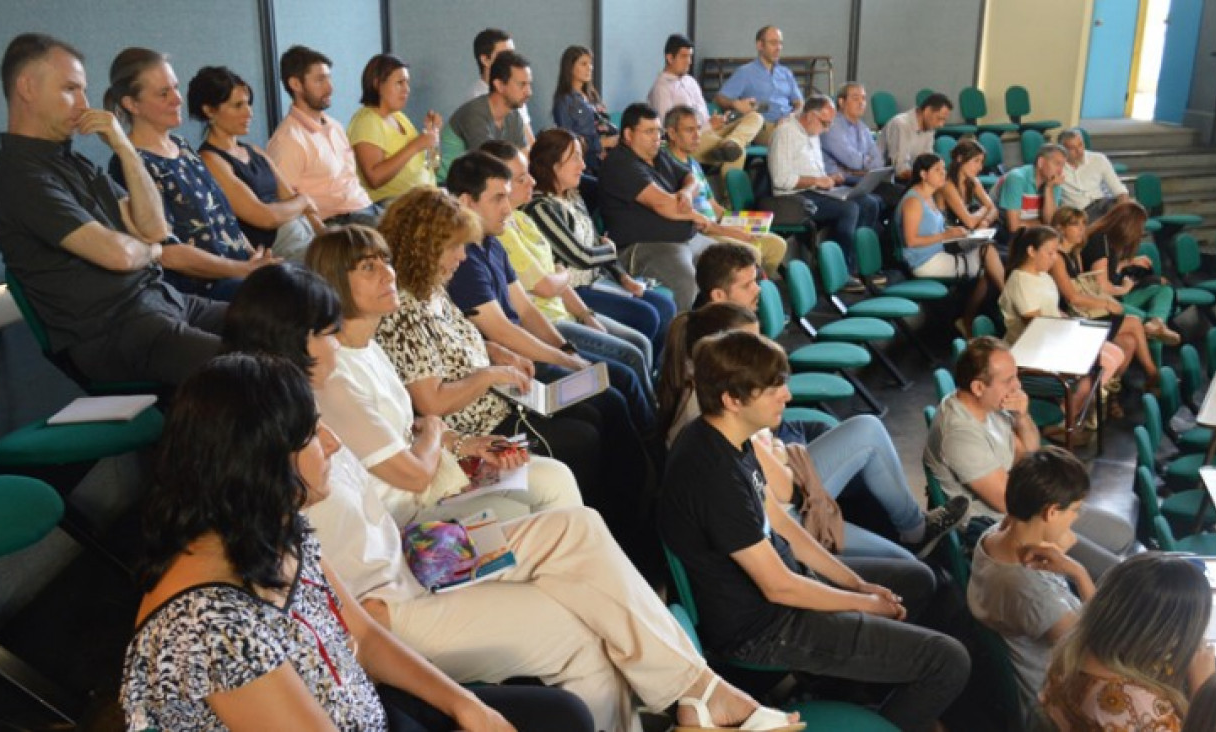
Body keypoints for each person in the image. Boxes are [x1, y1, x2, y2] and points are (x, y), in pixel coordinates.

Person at [224, 257, 803, 732]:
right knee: (577, 638)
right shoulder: (273, 432)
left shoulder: (309, 405)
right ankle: (694, 696)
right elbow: (295, 567)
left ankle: (696, 690)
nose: (337, 343)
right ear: (295, 339)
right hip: (388, 607)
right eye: (326, 332)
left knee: (577, 528)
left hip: (415, 554)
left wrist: (449, 480)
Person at [119, 351, 596, 731]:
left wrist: (467, 706)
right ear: (259, 462)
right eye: (311, 432)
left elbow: (363, 636)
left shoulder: (273, 525)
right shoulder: (210, 629)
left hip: (370, 709)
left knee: (563, 716)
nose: (332, 442)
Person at [660, 329, 971, 732]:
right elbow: (778, 587)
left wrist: (856, 584)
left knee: (918, 579)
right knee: (948, 662)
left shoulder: (732, 439)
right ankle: (883, 725)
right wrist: (862, 603)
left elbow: (784, 523)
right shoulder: (712, 474)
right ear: (732, 400)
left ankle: (854, 687)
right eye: (771, 389)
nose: (786, 396)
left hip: (785, 593)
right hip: (765, 628)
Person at [372, 187, 652, 556]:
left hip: (502, 401)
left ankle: (633, 524)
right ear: (422, 247)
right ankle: (620, 535)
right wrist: (490, 374)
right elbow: (431, 400)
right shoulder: (404, 311)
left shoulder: (432, 289)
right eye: (454, 247)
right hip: (478, 427)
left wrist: (495, 351)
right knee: (585, 435)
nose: (461, 256)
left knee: (603, 408)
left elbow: (455, 343)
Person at [225, 257, 582, 526]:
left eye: (385, 261)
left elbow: (406, 427)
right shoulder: (329, 385)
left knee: (558, 483)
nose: (388, 273)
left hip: (424, 486)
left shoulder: (363, 349)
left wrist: (459, 442)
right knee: (554, 515)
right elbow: (413, 465)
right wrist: (437, 430)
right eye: (368, 267)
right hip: (406, 515)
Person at [0, 33, 224, 386]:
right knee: (251, 369)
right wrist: (155, 252)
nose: (85, 105)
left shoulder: (74, 162)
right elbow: (119, 256)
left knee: (284, 324)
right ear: (27, 88)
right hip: (117, 332)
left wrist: (125, 148)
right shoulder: (18, 176)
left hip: (161, 302)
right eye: (70, 89)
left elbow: (154, 227)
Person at [657, 301, 969, 561]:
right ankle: (913, 532)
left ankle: (912, 530)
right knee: (908, 566)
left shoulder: (706, 394)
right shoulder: (712, 422)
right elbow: (782, 493)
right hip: (783, 515)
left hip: (779, 504)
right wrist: (782, 455)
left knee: (862, 433)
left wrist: (779, 450)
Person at [444, 151, 655, 431]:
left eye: (508, 196)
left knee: (619, 378)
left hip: (527, 352)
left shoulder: (492, 243)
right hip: (507, 366)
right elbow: (502, 331)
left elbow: (526, 309)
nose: (508, 208)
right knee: (611, 396)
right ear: (466, 201)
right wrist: (568, 360)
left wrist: (566, 349)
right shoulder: (463, 258)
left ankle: (650, 452)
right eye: (498, 198)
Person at [924, 337, 1134, 577]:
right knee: (1112, 572)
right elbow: (1007, 503)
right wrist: (1057, 522)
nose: (1017, 386)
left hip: (1029, 504)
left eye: (1016, 376)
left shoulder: (989, 407)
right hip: (1008, 526)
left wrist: (1022, 418)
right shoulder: (960, 436)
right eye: (1008, 380)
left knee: (1121, 533)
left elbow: (1028, 456)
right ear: (978, 387)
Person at [105, 47, 270, 302]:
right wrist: (244, 270)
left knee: (303, 282)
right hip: (199, 292)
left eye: (175, 87)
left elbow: (223, 218)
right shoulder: (129, 165)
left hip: (237, 273)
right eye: (163, 93)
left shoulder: (182, 146)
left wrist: (254, 259)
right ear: (131, 104)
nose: (178, 99)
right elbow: (167, 252)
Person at [523, 128, 676, 358]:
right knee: (647, 316)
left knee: (666, 306)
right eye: (574, 157)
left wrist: (623, 277)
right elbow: (581, 256)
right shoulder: (541, 208)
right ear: (553, 164)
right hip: (573, 291)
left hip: (597, 280)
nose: (583, 166)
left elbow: (596, 242)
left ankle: (656, 374)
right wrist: (609, 249)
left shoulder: (572, 196)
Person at [968, 447, 1095, 717]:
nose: (1077, 517)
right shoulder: (1033, 594)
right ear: (1050, 512)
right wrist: (1079, 574)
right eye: (1075, 510)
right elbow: (1096, 653)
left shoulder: (995, 533)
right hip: (1053, 701)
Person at [1041, 553, 1216, 731]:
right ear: (1168, 635)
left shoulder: (1072, 652)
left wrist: (1080, 574)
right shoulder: (1137, 707)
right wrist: (1204, 691)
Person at [189, 65, 323, 264]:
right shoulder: (211, 160)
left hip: (302, 231)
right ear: (209, 110)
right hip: (277, 248)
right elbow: (264, 216)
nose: (249, 113)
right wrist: (302, 200)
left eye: (248, 104)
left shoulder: (255, 151)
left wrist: (324, 233)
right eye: (238, 106)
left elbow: (291, 197)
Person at [999, 226, 1127, 417]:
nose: (1054, 258)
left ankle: (1082, 408)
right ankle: (1066, 417)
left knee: (1116, 353)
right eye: (1049, 253)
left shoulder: (1042, 276)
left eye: (1055, 253)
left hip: (1053, 339)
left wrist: (1074, 325)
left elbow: (1054, 312)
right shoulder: (1020, 280)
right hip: (1032, 350)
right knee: (1102, 364)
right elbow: (1036, 326)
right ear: (1031, 251)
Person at [599, 102, 715, 311]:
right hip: (643, 246)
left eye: (658, 131)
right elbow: (665, 206)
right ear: (628, 134)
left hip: (684, 239)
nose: (657, 137)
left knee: (725, 263)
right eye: (649, 131)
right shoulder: (621, 164)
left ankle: (718, 329)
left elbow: (691, 177)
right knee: (685, 280)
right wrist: (694, 216)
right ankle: (679, 339)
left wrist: (686, 193)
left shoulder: (657, 155)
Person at [1049, 206, 1172, 397]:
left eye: (1083, 224)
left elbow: (1086, 285)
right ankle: (1153, 374)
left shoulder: (1074, 253)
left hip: (1085, 310)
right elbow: (1073, 296)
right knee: (1135, 323)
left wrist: (1126, 266)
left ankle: (1110, 396)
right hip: (1074, 318)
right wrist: (1110, 300)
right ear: (1061, 228)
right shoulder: (1058, 257)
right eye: (1076, 225)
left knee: (1129, 341)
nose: (1082, 229)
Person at [664, 105, 788, 274]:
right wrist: (734, 232)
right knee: (751, 252)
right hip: (701, 233)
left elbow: (714, 207)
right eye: (689, 130)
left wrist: (744, 223)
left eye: (699, 129)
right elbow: (694, 221)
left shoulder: (693, 163)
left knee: (777, 245)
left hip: (716, 224)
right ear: (671, 133)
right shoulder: (666, 165)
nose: (697, 136)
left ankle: (756, 291)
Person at [267, 45, 381, 227]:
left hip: (365, 208)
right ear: (295, 84)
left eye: (329, 78)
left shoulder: (334, 126)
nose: (330, 88)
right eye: (320, 80)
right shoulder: (288, 140)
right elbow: (285, 203)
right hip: (337, 222)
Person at [768, 94, 880, 277]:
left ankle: (860, 263)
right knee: (849, 209)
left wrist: (828, 178)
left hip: (815, 190)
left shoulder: (813, 132)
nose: (827, 129)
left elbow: (813, 172)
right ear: (811, 116)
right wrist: (816, 181)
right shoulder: (785, 134)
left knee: (868, 202)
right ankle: (841, 270)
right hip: (793, 198)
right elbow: (781, 180)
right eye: (825, 123)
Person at [897, 153, 1005, 336]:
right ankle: (1006, 300)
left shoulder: (928, 196)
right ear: (923, 174)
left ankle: (970, 318)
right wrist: (946, 234)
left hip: (937, 253)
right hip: (924, 262)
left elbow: (932, 229)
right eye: (937, 170)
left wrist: (957, 232)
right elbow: (911, 240)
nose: (943, 174)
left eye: (944, 169)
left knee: (988, 256)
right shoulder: (913, 201)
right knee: (988, 254)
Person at [648, 33, 761, 171]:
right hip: (689, 140)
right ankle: (728, 185)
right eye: (684, 56)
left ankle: (732, 142)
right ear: (670, 58)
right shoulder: (661, 88)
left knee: (755, 117)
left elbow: (704, 117)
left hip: (709, 131)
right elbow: (670, 131)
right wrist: (708, 127)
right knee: (738, 153)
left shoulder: (691, 82)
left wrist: (716, 121)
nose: (689, 61)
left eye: (690, 56)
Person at [1081, 200, 1178, 354]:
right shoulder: (1099, 242)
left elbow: (1108, 270)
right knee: (1151, 330)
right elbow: (1102, 287)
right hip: (1105, 302)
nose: (1140, 233)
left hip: (1116, 295)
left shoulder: (1108, 239)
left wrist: (1127, 263)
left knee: (1164, 290)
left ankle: (1156, 322)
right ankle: (1155, 366)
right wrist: (1125, 288)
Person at [348, 54, 441, 206]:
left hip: (427, 197)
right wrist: (415, 145)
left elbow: (433, 167)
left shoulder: (399, 117)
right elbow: (374, 179)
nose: (407, 89)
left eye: (407, 83)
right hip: (394, 206)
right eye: (400, 83)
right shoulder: (367, 121)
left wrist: (433, 136)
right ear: (378, 84)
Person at [820, 82, 902, 210]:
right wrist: (860, 166)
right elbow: (852, 161)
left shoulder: (863, 128)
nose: (861, 103)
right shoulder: (832, 126)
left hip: (861, 180)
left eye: (863, 98)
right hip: (839, 182)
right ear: (841, 102)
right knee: (880, 199)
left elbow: (878, 161)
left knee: (901, 192)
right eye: (855, 98)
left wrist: (858, 168)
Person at [714, 26, 803, 144]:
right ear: (760, 45)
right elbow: (720, 98)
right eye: (773, 43)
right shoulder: (745, 72)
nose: (778, 48)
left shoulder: (785, 73)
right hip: (764, 126)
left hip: (789, 123)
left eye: (780, 43)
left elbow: (799, 103)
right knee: (792, 141)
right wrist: (735, 104)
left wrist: (791, 117)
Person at [550, 46, 617, 174]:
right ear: (570, 67)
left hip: (607, 161)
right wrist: (601, 143)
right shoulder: (565, 101)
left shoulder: (592, 95)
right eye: (583, 64)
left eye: (590, 64)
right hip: (586, 164)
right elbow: (567, 140)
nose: (589, 68)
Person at [449, 50, 530, 153]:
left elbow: (524, 158)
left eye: (529, 84)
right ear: (499, 85)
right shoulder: (474, 114)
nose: (529, 92)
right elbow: (487, 165)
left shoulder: (514, 116)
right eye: (522, 85)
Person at [468, 28, 535, 148]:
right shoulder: (477, 101)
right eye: (505, 55)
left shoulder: (515, 90)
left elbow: (528, 138)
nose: (511, 60)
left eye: (512, 54)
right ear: (485, 60)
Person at [877, 92, 953, 181]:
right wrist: (927, 178)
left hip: (914, 177)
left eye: (944, 120)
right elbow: (900, 170)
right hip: (889, 181)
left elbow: (927, 161)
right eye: (939, 118)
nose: (941, 125)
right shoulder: (901, 124)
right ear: (927, 110)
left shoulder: (929, 127)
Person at [1057, 128, 1128, 223]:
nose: (1079, 151)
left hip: (1103, 205)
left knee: (1131, 210)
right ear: (1062, 150)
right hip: (1079, 213)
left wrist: (1124, 211)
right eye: (1072, 148)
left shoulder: (1098, 159)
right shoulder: (1057, 167)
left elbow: (1119, 190)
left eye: (1080, 145)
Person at [997, 143, 1066, 237]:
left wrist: (1049, 188)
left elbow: (1050, 222)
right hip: (1003, 231)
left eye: (1062, 166)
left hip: (1033, 232)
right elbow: (1013, 227)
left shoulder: (1053, 182)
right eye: (1057, 164)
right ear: (1041, 162)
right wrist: (1041, 223)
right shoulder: (1016, 178)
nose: (1060, 171)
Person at [936, 137, 999, 231]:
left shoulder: (973, 181)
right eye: (976, 161)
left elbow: (994, 210)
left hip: (965, 231)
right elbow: (970, 222)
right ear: (960, 158)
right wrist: (985, 208)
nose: (980, 167)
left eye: (981, 162)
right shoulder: (947, 185)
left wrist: (985, 222)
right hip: (948, 234)